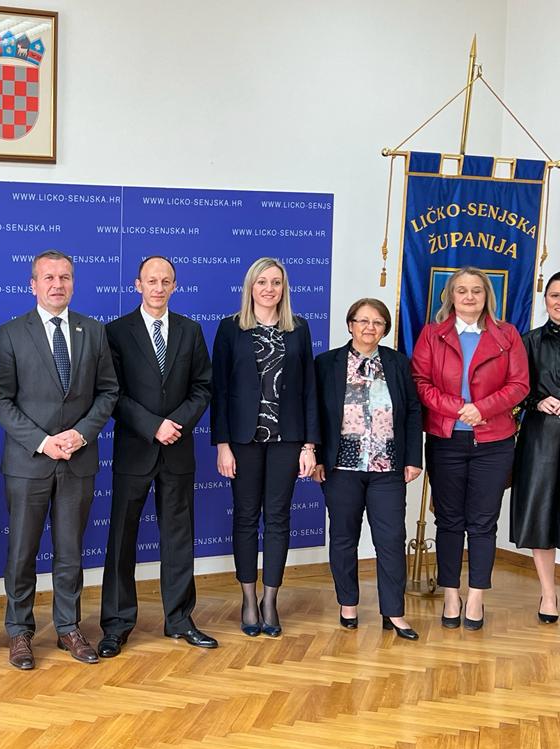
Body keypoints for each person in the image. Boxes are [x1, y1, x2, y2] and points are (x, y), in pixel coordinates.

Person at [0, 249, 118, 669]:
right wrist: (43, 441)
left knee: (70, 552)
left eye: (65, 277)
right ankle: (19, 631)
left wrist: (81, 434)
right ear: (33, 285)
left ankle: (68, 627)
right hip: (29, 462)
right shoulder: (12, 333)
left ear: (73, 283)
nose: (57, 284)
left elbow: (108, 392)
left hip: (78, 459)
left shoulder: (93, 331)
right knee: (21, 553)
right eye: (49, 277)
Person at [98, 255, 216, 657]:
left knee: (179, 538)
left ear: (174, 286)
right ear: (138, 285)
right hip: (135, 449)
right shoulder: (116, 332)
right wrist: (153, 426)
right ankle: (116, 624)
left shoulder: (190, 330)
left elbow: (202, 387)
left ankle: (180, 619)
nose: (159, 287)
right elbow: (112, 393)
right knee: (121, 539)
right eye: (152, 281)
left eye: (166, 281)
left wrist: (174, 424)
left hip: (178, 450)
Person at [412, 266, 528, 631]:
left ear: (486, 296)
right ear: (450, 296)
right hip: (446, 440)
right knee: (448, 521)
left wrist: (483, 409)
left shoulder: (508, 335)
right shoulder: (432, 334)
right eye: (461, 290)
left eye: (476, 290)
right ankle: (451, 594)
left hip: (494, 442)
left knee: (482, 522)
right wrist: (458, 408)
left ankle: (476, 596)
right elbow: (420, 382)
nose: (469, 297)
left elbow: (520, 385)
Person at [211, 256, 319, 637]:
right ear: (250, 288)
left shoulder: (299, 329)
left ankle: (270, 600)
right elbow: (219, 391)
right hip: (243, 441)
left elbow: (309, 389)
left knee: (277, 518)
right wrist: (222, 445)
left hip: (287, 440)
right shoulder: (230, 328)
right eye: (262, 282)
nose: (269, 289)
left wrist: (309, 446)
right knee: (245, 517)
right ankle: (247, 598)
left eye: (276, 282)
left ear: (284, 288)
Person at [313, 298, 422, 640]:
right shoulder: (326, 363)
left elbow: (413, 410)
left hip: (387, 467)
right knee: (344, 538)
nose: (369, 327)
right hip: (340, 467)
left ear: (385, 329)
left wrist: (413, 458)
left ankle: (394, 612)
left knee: (391, 539)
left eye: (377, 322)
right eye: (362, 321)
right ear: (350, 325)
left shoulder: (397, 363)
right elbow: (313, 412)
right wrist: (315, 456)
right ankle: (348, 604)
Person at [510, 271, 560, 623]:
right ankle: (548, 594)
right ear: (546, 300)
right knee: (542, 515)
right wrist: (536, 401)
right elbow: (515, 389)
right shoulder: (528, 342)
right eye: (555, 295)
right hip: (542, 439)